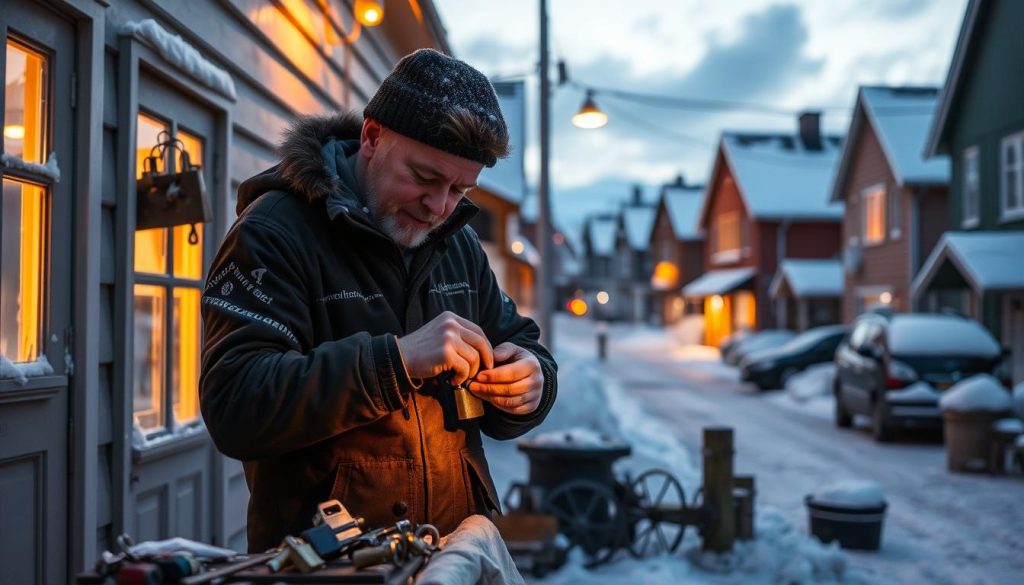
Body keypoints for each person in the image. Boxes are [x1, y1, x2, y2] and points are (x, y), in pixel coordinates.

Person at [199, 48, 557, 552]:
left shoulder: (458, 242)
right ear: (371, 137)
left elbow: (517, 339)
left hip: (452, 555)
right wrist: (395, 360)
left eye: (459, 188)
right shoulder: (274, 232)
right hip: (329, 564)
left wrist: (533, 380)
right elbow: (236, 404)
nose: (439, 207)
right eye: (425, 178)